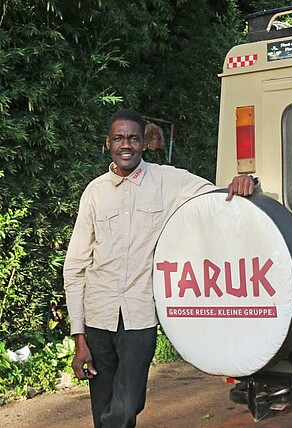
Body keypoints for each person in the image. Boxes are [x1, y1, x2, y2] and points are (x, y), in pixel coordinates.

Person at [63, 108, 256, 428]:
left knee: (127, 405)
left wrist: (242, 181)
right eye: (119, 138)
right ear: (108, 143)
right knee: (104, 408)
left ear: (144, 142)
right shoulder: (95, 192)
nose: (126, 145)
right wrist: (78, 335)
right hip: (97, 317)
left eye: (133, 138)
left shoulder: (168, 180)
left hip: (139, 316)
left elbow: (215, 193)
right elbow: (75, 266)